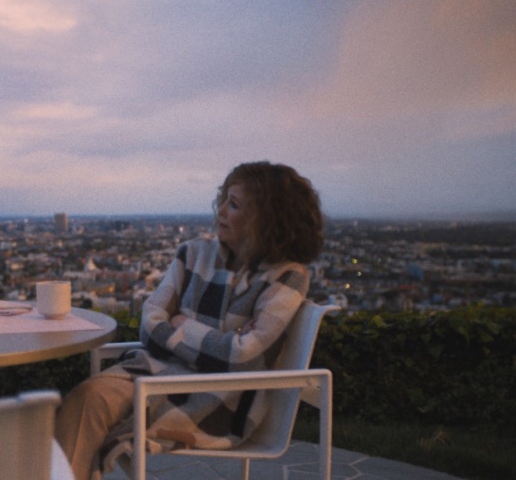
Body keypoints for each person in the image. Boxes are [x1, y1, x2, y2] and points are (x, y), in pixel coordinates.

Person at [55, 161, 324, 480]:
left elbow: (242, 359)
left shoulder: (288, 276)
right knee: (87, 400)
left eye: (234, 204)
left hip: (216, 399)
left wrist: (182, 324)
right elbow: (149, 326)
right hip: (150, 372)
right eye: (223, 199)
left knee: (87, 411)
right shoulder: (193, 254)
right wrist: (218, 341)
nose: (221, 211)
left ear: (265, 219)